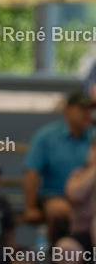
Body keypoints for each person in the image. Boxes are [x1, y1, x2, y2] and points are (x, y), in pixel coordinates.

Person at [22, 90, 94, 238]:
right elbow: (32, 172)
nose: (87, 113)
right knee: (58, 210)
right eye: (82, 109)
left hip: (87, 198)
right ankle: (59, 255)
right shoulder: (46, 137)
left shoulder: (94, 138)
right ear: (67, 111)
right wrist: (30, 207)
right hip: (55, 195)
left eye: (90, 109)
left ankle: (86, 257)